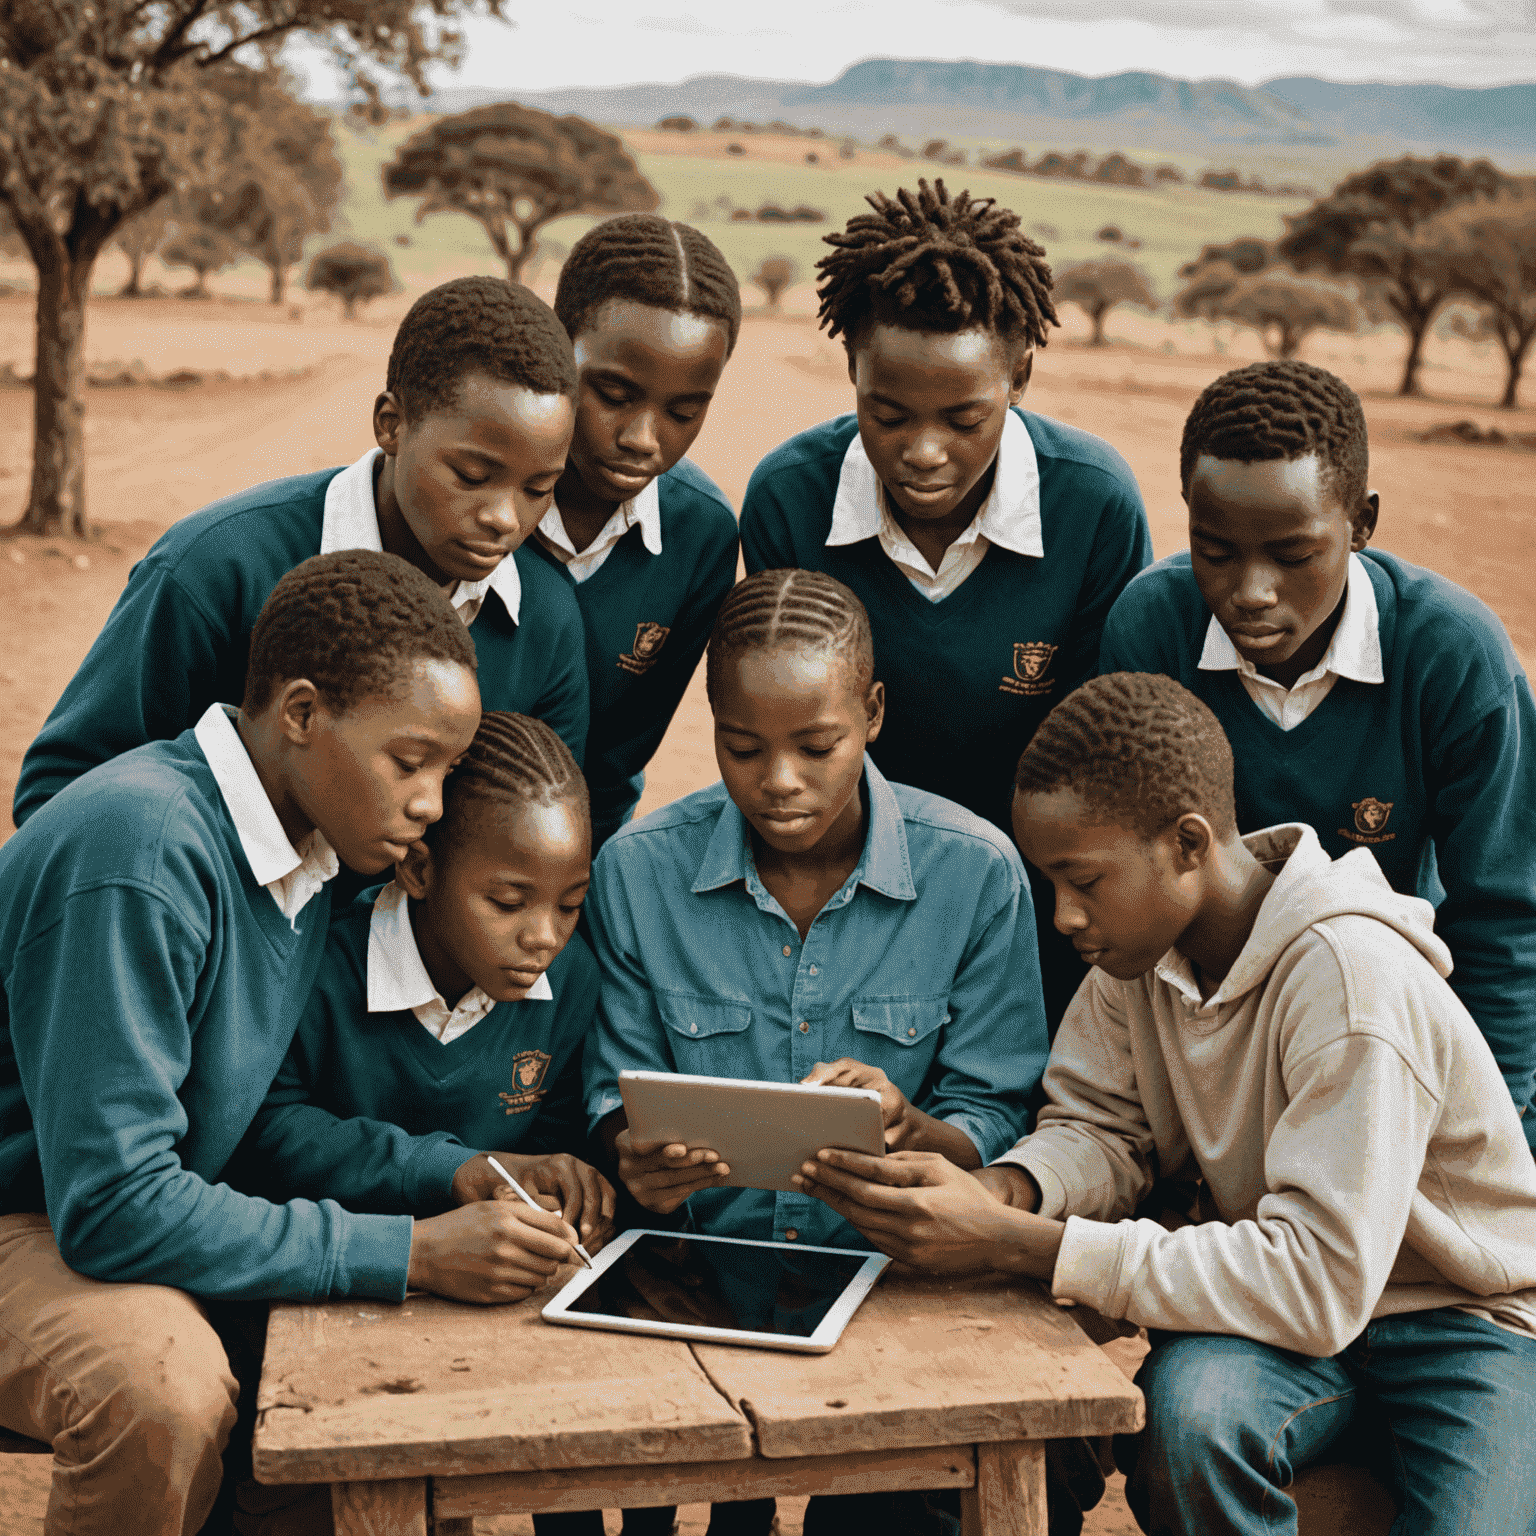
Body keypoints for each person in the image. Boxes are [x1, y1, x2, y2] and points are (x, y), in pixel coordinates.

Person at [796, 672, 1536, 1536]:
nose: (1065, 916)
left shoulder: (1348, 978)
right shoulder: (1136, 958)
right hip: (1283, 1326)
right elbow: (1101, 1130)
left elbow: (1318, 1281)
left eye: (1085, 881)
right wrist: (1004, 1193)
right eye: (1052, 884)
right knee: (1189, 1420)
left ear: (1188, 844)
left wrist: (1026, 1243)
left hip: (1463, 1321)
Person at [0, 552, 592, 1536]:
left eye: (446, 771)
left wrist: (449, 1179)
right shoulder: (140, 855)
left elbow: (252, 1127)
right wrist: (413, 1253)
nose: (433, 807)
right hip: (33, 1219)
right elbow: (111, 1205)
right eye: (411, 763)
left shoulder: (307, 852)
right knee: (160, 1387)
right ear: (304, 715)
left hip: (110, 1212)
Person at [584, 567, 1048, 1536]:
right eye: (742, 748)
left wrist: (915, 1125)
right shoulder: (636, 875)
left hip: (894, 1288)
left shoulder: (974, 872)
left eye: (816, 746)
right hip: (695, 1282)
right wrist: (638, 1157)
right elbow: (613, 1091)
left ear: (873, 713)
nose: (779, 781)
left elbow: (1002, 1110)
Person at [739, 179, 1152, 1028]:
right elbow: (798, 743)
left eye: (966, 418)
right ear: (851, 365)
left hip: (1042, 903)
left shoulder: (1094, 506)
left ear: (1022, 374)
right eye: (886, 415)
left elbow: (1101, 763)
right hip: (851, 884)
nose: (924, 452)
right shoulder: (789, 498)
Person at [1099, 359, 1536, 1146]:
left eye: (1293, 555)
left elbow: (1502, 920)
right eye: (1216, 550)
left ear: (1362, 523)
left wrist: (1500, 1142)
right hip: (1205, 1034)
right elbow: (1127, 883)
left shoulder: (1453, 657)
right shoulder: (1153, 628)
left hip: (1386, 1031)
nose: (1252, 590)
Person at [13, 276, 591, 849]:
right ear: (391, 424)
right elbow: (61, 792)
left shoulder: (544, 619)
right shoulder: (219, 570)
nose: (505, 517)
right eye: (471, 476)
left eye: (539, 488)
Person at [237, 710, 616, 1536]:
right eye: (508, 901)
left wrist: (561, 1173)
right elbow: (264, 1131)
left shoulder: (569, 985)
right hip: (316, 1298)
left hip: (478, 1308)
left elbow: (547, 1130)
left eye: (571, 905)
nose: (544, 936)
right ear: (417, 867)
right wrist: (449, 1169)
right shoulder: (318, 961)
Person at [529, 213, 742, 851]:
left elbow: (618, 762)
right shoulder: (474, 497)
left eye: (684, 410)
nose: (643, 440)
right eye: (615, 393)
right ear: (556, 344)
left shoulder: (699, 537)